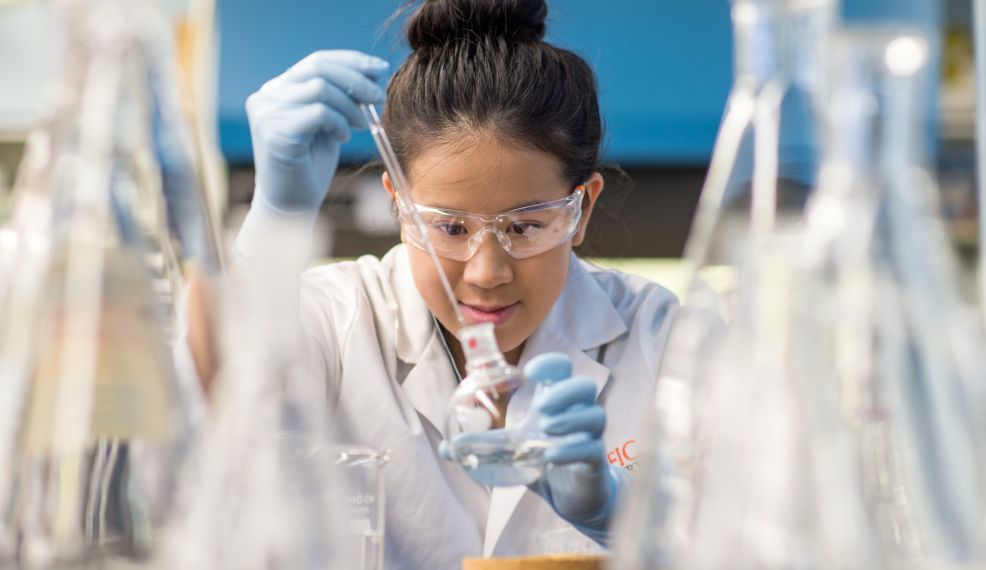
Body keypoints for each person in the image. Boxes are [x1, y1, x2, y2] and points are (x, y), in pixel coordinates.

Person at [230, 0, 678, 566]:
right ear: (399, 207)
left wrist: (621, 518)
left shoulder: (663, 339)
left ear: (580, 210)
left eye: (524, 225)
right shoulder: (331, 319)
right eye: (449, 227)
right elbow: (190, 453)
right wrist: (272, 225)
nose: (487, 272)